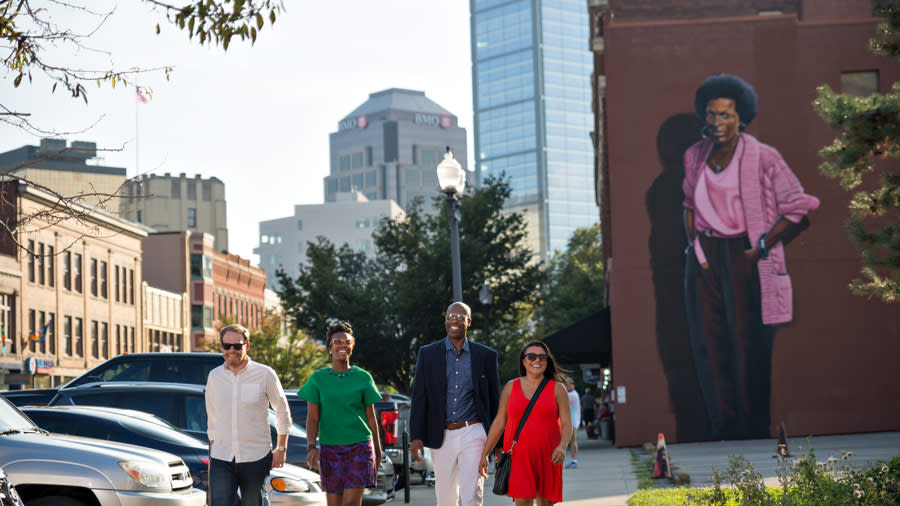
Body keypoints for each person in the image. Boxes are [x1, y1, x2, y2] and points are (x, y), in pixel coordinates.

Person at [683, 74, 819, 439]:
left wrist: (759, 248)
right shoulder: (694, 156)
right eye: (711, 115)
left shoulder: (763, 156)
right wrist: (698, 251)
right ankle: (723, 425)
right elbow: (688, 206)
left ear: (741, 117)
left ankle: (752, 425)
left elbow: (798, 206)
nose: (717, 123)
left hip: (745, 252)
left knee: (747, 342)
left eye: (726, 115)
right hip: (705, 255)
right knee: (708, 344)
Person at [409, 301, 501, 506]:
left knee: (471, 495)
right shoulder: (428, 353)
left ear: (468, 322)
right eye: (450, 316)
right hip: (441, 434)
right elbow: (419, 397)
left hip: (474, 430)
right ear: (445, 320)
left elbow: (495, 400)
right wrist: (416, 436)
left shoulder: (486, 355)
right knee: (445, 497)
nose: (454, 321)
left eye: (460, 317)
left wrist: (498, 444)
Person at [205, 323, 291, 506]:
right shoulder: (214, 376)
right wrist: (213, 452)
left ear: (247, 346)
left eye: (237, 346)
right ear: (221, 346)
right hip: (222, 456)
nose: (232, 350)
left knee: (254, 503)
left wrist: (281, 448)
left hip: (256, 456)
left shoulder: (265, 374)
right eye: (227, 346)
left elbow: (282, 411)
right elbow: (212, 418)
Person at [299, 321, 382, 506]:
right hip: (330, 448)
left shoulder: (363, 377)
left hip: (359, 447)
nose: (342, 345)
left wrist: (378, 448)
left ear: (352, 346)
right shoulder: (318, 379)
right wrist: (311, 446)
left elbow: (371, 416)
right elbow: (313, 418)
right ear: (330, 347)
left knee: (351, 503)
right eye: (337, 341)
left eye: (347, 341)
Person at [480, 341, 571, 506]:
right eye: (531, 356)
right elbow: (499, 422)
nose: (537, 360)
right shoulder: (510, 387)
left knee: (545, 503)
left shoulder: (558, 389)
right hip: (518, 455)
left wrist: (563, 446)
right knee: (522, 501)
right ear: (523, 361)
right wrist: (485, 454)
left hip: (549, 455)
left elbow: (566, 424)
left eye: (542, 357)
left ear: (547, 361)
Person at [564, 382, 581, 468]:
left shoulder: (572, 395)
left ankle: (574, 461)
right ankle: (573, 460)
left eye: (568, 385)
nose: (566, 386)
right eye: (566, 385)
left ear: (573, 385)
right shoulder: (572, 394)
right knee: (572, 441)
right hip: (572, 421)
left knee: (573, 442)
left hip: (572, 422)